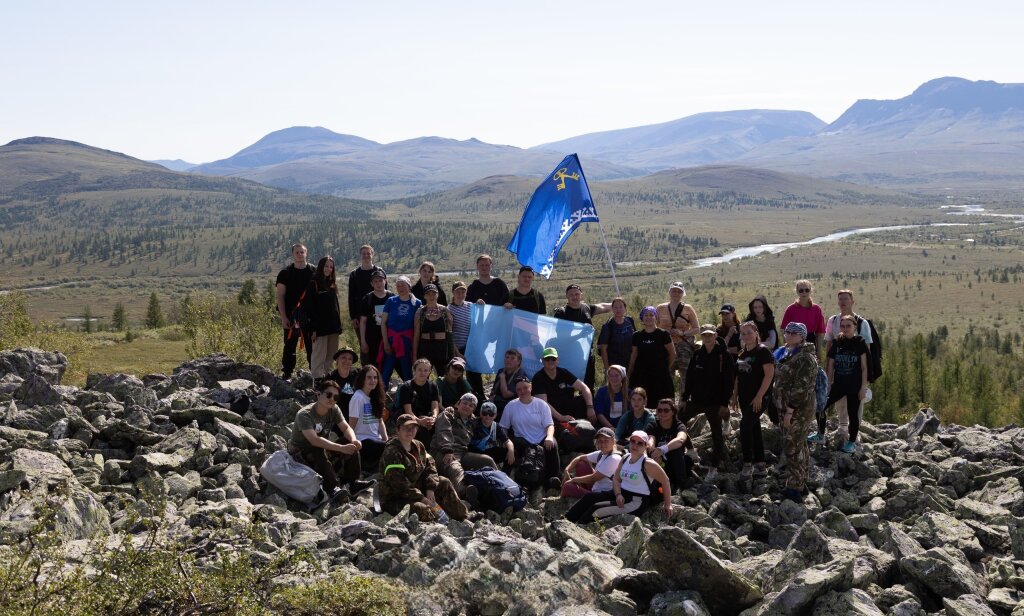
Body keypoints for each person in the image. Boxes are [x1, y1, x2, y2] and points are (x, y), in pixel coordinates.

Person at [287, 380, 375, 504]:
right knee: (317, 447)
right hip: (299, 457)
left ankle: (352, 483)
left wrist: (354, 440)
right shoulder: (304, 415)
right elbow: (314, 440)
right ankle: (332, 487)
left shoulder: (334, 409)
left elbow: (345, 428)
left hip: (319, 454)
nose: (332, 399)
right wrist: (340, 448)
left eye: (336, 397)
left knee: (348, 441)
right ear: (318, 394)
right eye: (328, 395)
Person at [564, 430, 672, 523]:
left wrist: (668, 504)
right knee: (590, 497)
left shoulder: (648, 463)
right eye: (633, 441)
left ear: (645, 446)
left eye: (640, 443)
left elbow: (665, 481)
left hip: (636, 501)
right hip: (621, 494)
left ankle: (577, 528)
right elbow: (616, 479)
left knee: (596, 509)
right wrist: (618, 494)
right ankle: (565, 520)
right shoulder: (625, 457)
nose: (635, 445)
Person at [379, 413, 469, 522]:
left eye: (413, 427)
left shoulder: (419, 446)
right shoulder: (392, 452)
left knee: (444, 482)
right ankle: (440, 522)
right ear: (398, 430)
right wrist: (422, 498)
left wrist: (430, 488)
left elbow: (430, 467)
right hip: (395, 497)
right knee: (421, 509)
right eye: (405, 428)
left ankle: (463, 517)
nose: (410, 431)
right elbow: (399, 485)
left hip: (417, 489)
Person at [680, 324, 736, 482]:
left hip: (715, 402)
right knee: (678, 420)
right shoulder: (697, 354)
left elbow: (729, 381)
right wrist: (684, 398)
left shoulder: (723, 355)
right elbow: (689, 379)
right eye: (704, 335)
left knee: (717, 434)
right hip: (697, 400)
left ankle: (714, 467)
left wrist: (724, 403)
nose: (707, 338)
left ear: (715, 335)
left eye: (710, 335)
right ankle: (691, 450)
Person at [774, 322, 819, 501]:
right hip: (786, 407)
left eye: (795, 333)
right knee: (799, 445)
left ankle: (794, 488)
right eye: (787, 332)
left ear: (802, 336)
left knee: (792, 447)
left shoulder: (805, 358)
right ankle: (801, 480)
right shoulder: (788, 354)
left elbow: (801, 388)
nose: (790, 335)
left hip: (797, 410)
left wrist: (789, 411)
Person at [816, 315, 870, 453]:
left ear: (854, 327)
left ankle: (851, 443)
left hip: (854, 386)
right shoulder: (837, 342)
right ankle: (820, 434)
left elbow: (864, 367)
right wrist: (827, 384)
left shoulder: (860, 343)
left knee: (853, 414)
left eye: (848, 326)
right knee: (821, 406)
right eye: (843, 326)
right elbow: (831, 365)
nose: (845, 329)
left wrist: (863, 387)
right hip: (838, 384)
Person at [432, 392, 499, 502]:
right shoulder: (447, 415)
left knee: (488, 460)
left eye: (471, 405)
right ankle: (465, 494)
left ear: (474, 409)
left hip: (462, 452)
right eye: (465, 403)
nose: (467, 406)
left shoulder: (473, 421)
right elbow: (443, 432)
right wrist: (448, 450)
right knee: (455, 469)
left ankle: (500, 485)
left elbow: (489, 422)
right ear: (458, 404)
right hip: (443, 451)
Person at [499, 376, 561, 489]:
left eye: (525, 388)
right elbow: (503, 427)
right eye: (519, 389)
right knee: (512, 447)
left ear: (531, 387)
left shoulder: (541, 404)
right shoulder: (511, 406)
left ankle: (553, 479)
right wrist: (507, 442)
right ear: (516, 391)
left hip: (541, 438)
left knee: (553, 445)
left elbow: (549, 425)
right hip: (522, 440)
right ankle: (510, 479)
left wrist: (549, 436)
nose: (522, 391)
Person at [735, 322, 775, 479]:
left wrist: (759, 396)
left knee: (744, 426)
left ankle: (747, 464)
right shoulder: (741, 354)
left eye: (749, 332)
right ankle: (760, 464)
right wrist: (734, 395)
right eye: (743, 333)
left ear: (756, 333)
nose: (746, 336)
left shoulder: (763, 352)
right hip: (743, 397)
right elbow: (738, 377)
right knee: (754, 427)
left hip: (759, 397)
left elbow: (769, 375)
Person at [466, 254, 510, 397]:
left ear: (491, 266)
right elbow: (468, 307)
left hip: (499, 328)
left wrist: (507, 305)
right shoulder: (473, 287)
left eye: (487, 265)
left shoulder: (499, 284)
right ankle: (477, 392)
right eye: (482, 265)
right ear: (477, 267)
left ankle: (497, 390)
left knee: (501, 359)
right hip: (480, 330)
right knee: (474, 358)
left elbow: (508, 302)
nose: (484, 267)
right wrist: (475, 305)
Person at [553, 284, 612, 389]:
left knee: (589, 384)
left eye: (577, 294)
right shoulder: (561, 313)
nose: (575, 297)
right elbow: (561, 337)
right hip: (569, 356)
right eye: (571, 295)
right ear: (566, 296)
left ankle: (589, 405)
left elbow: (604, 307)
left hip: (587, 355)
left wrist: (617, 303)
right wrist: (580, 335)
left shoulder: (586, 308)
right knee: (568, 385)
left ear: (581, 295)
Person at [276, 243, 315, 379]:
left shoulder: (314, 272)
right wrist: (283, 317)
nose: (299, 254)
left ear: (306, 253)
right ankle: (287, 372)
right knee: (290, 345)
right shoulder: (285, 273)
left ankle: (314, 373)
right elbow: (280, 295)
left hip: (310, 316)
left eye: (302, 252)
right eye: (297, 252)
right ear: (293, 254)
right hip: (291, 315)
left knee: (312, 346)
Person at [656, 282, 701, 399]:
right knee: (667, 375)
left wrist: (683, 333)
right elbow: (654, 328)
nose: (676, 293)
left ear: (683, 293)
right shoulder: (660, 308)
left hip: (683, 345)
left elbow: (696, 328)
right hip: (666, 346)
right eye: (674, 290)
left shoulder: (688, 308)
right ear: (669, 291)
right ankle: (668, 403)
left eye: (679, 291)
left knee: (685, 374)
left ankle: (684, 402)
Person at [531, 347, 597, 423]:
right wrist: (561, 418)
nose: (550, 361)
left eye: (553, 358)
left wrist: (590, 407)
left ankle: (595, 425)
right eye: (547, 359)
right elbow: (544, 404)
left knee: (586, 400)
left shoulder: (563, 372)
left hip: (566, 406)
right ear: (542, 361)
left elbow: (584, 388)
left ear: (557, 360)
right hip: (552, 412)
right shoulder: (538, 378)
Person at [305, 256, 343, 381]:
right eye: (326, 266)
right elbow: (310, 309)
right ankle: (316, 382)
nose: (328, 269)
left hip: (333, 328)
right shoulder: (313, 284)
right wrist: (313, 329)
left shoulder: (332, 284)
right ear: (321, 267)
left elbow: (335, 307)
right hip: (319, 328)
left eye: (331, 267)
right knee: (318, 357)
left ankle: (328, 382)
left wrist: (339, 327)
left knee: (331, 358)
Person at [628, 306, 676, 404]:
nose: (648, 317)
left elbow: (672, 354)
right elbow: (633, 357)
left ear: (656, 317)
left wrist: (665, 368)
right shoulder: (637, 335)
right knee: (643, 404)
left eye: (651, 315)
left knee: (662, 405)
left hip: (660, 376)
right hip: (641, 376)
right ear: (642, 318)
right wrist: (629, 374)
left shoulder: (663, 334)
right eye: (646, 315)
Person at [380, 275, 422, 385]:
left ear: (409, 286)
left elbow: (418, 327)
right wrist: (385, 343)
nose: (400, 288)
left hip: (407, 343)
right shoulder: (391, 301)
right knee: (386, 371)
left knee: (407, 372)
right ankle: (380, 398)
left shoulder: (417, 303)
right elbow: (383, 323)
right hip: (391, 341)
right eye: (398, 285)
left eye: (403, 285)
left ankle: (409, 398)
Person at [560, 427, 622, 499]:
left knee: (568, 486)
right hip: (595, 487)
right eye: (600, 441)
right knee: (581, 464)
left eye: (606, 440)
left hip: (603, 495)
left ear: (613, 442)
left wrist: (574, 480)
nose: (603, 444)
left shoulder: (614, 458)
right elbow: (580, 457)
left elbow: (593, 478)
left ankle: (560, 499)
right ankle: (579, 490)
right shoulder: (601, 453)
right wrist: (567, 470)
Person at [648, 399, 694, 492]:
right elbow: (650, 439)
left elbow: (680, 439)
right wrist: (654, 451)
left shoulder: (678, 425)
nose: (662, 413)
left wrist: (662, 449)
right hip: (659, 461)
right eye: (660, 410)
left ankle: (682, 482)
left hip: (676, 461)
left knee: (676, 451)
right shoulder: (653, 425)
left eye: (666, 410)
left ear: (673, 411)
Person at [347, 365, 389, 468]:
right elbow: (351, 425)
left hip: (376, 439)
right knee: (392, 448)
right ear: (363, 379)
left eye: (375, 377)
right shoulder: (358, 397)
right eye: (369, 377)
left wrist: (386, 439)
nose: (373, 380)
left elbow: (380, 421)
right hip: (363, 441)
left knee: (398, 442)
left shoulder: (376, 397)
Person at [412, 284, 454, 377]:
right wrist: (414, 356)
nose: (431, 296)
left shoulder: (444, 310)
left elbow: (450, 332)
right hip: (425, 347)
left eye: (433, 294)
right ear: (424, 296)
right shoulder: (420, 312)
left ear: (437, 295)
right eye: (428, 294)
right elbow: (416, 335)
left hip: (442, 348)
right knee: (423, 376)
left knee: (444, 376)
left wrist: (453, 352)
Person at [397, 358, 440, 446]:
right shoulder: (406, 387)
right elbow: (408, 411)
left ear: (429, 372)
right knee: (423, 432)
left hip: (427, 417)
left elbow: (435, 406)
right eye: (419, 370)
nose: (422, 373)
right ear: (414, 370)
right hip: (411, 418)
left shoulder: (433, 386)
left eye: (426, 370)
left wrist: (434, 418)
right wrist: (420, 421)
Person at [358, 268, 394, 369]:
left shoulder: (392, 297)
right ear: (371, 284)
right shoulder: (367, 299)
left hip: (389, 336)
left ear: (385, 281)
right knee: (374, 364)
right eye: (375, 281)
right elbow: (363, 322)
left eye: (381, 280)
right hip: (372, 338)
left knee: (389, 363)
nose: (378, 283)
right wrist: (363, 341)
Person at [780, 280, 827, 357]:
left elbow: (820, 332)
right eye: (801, 290)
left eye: (807, 290)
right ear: (797, 292)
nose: (804, 292)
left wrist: (818, 351)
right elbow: (784, 330)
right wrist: (788, 346)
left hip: (811, 342)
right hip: (793, 342)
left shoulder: (816, 309)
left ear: (810, 291)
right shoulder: (791, 309)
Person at [823, 289, 873, 355]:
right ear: (838, 303)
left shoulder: (862, 323)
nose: (843, 301)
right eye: (840, 299)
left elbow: (867, 347)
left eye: (846, 299)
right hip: (836, 362)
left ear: (852, 302)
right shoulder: (832, 320)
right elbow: (828, 344)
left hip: (856, 363)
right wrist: (828, 363)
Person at [469, 401, 515, 470]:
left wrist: (511, 451)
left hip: (489, 451)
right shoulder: (474, 423)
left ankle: (504, 475)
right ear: (480, 413)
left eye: (491, 414)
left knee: (510, 454)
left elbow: (507, 441)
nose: (487, 416)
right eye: (485, 413)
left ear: (495, 415)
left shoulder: (496, 426)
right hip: (475, 452)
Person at [348, 244, 382, 334]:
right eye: (363, 254)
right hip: (360, 314)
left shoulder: (380, 272)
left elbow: (385, 294)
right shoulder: (354, 274)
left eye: (368, 253)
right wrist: (353, 317)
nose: (366, 256)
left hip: (378, 313)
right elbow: (351, 297)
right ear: (360, 256)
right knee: (363, 344)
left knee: (379, 343)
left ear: (372, 255)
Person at [598, 298, 635, 373]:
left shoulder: (630, 321)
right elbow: (603, 350)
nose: (618, 310)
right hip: (614, 365)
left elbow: (634, 343)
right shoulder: (607, 326)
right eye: (615, 307)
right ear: (612, 309)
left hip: (629, 363)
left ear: (625, 308)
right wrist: (607, 369)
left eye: (621, 307)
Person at [490, 349, 528, 417]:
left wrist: (502, 378)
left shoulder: (521, 375)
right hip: (499, 403)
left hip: (514, 406)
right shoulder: (501, 371)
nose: (508, 360)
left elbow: (506, 394)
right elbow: (494, 390)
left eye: (512, 358)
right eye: (507, 357)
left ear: (518, 362)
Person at [593, 365, 630, 430]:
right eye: (611, 375)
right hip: (604, 427)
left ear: (622, 377)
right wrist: (610, 427)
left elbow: (631, 413)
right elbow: (599, 413)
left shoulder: (629, 393)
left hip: (624, 428)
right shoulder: (602, 392)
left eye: (616, 375)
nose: (613, 378)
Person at [327, 346, 359, 418]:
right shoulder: (330, 377)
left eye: (350, 359)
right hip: (335, 416)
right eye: (343, 357)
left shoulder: (358, 374)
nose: (347, 361)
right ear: (337, 360)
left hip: (356, 415)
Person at [448, 281, 472, 359]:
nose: (460, 294)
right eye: (457, 292)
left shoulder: (471, 306)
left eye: (463, 292)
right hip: (456, 349)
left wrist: (481, 303)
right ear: (453, 293)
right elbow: (449, 333)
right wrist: (457, 353)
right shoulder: (449, 309)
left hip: (470, 348)